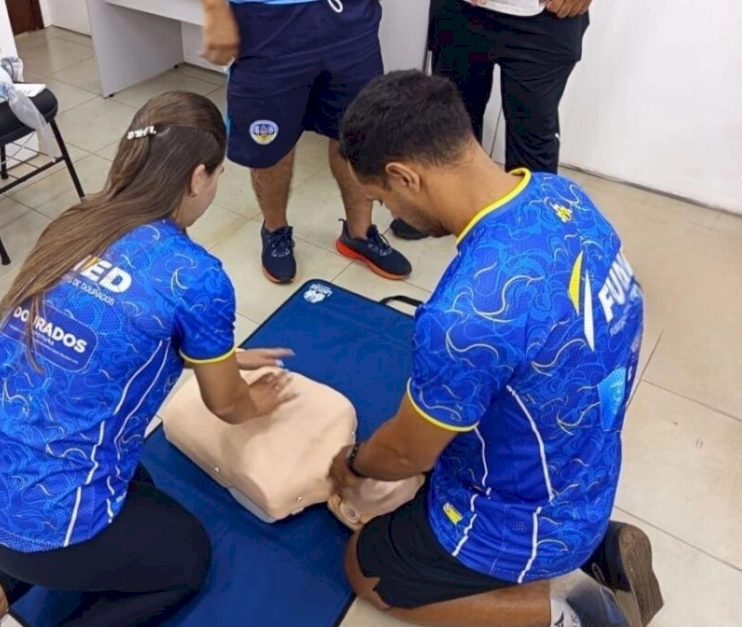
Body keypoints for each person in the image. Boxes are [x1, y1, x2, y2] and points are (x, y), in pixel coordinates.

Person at [0, 92, 298, 627]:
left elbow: (106, 333)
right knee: (189, 558)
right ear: (198, 177)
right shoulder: (194, 275)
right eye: (219, 175)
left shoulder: (77, 222)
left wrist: (224, 357)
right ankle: (23, 579)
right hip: (41, 524)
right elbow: (225, 406)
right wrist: (255, 401)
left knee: (135, 482)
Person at [330, 71, 663, 627]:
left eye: (383, 199)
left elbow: (408, 456)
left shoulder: (466, 316)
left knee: (367, 568)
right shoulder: (561, 196)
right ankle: (600, 547)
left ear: (405, 176)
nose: (392, 215)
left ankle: (573, 613)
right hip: (591, 469)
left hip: (525, 521)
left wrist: (352, 464)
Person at [200, 0, 412, 284]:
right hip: (267, 18)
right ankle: (275, 231)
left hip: (349, 16)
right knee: (270, 142)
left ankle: (359, 234)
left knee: (357, 130)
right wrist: (215, 9)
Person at [390, 0, 591, 241]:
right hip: (459, 10)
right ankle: (444, 204)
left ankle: (532, 226)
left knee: (533, 134)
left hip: (544, 18)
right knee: (450, 119)